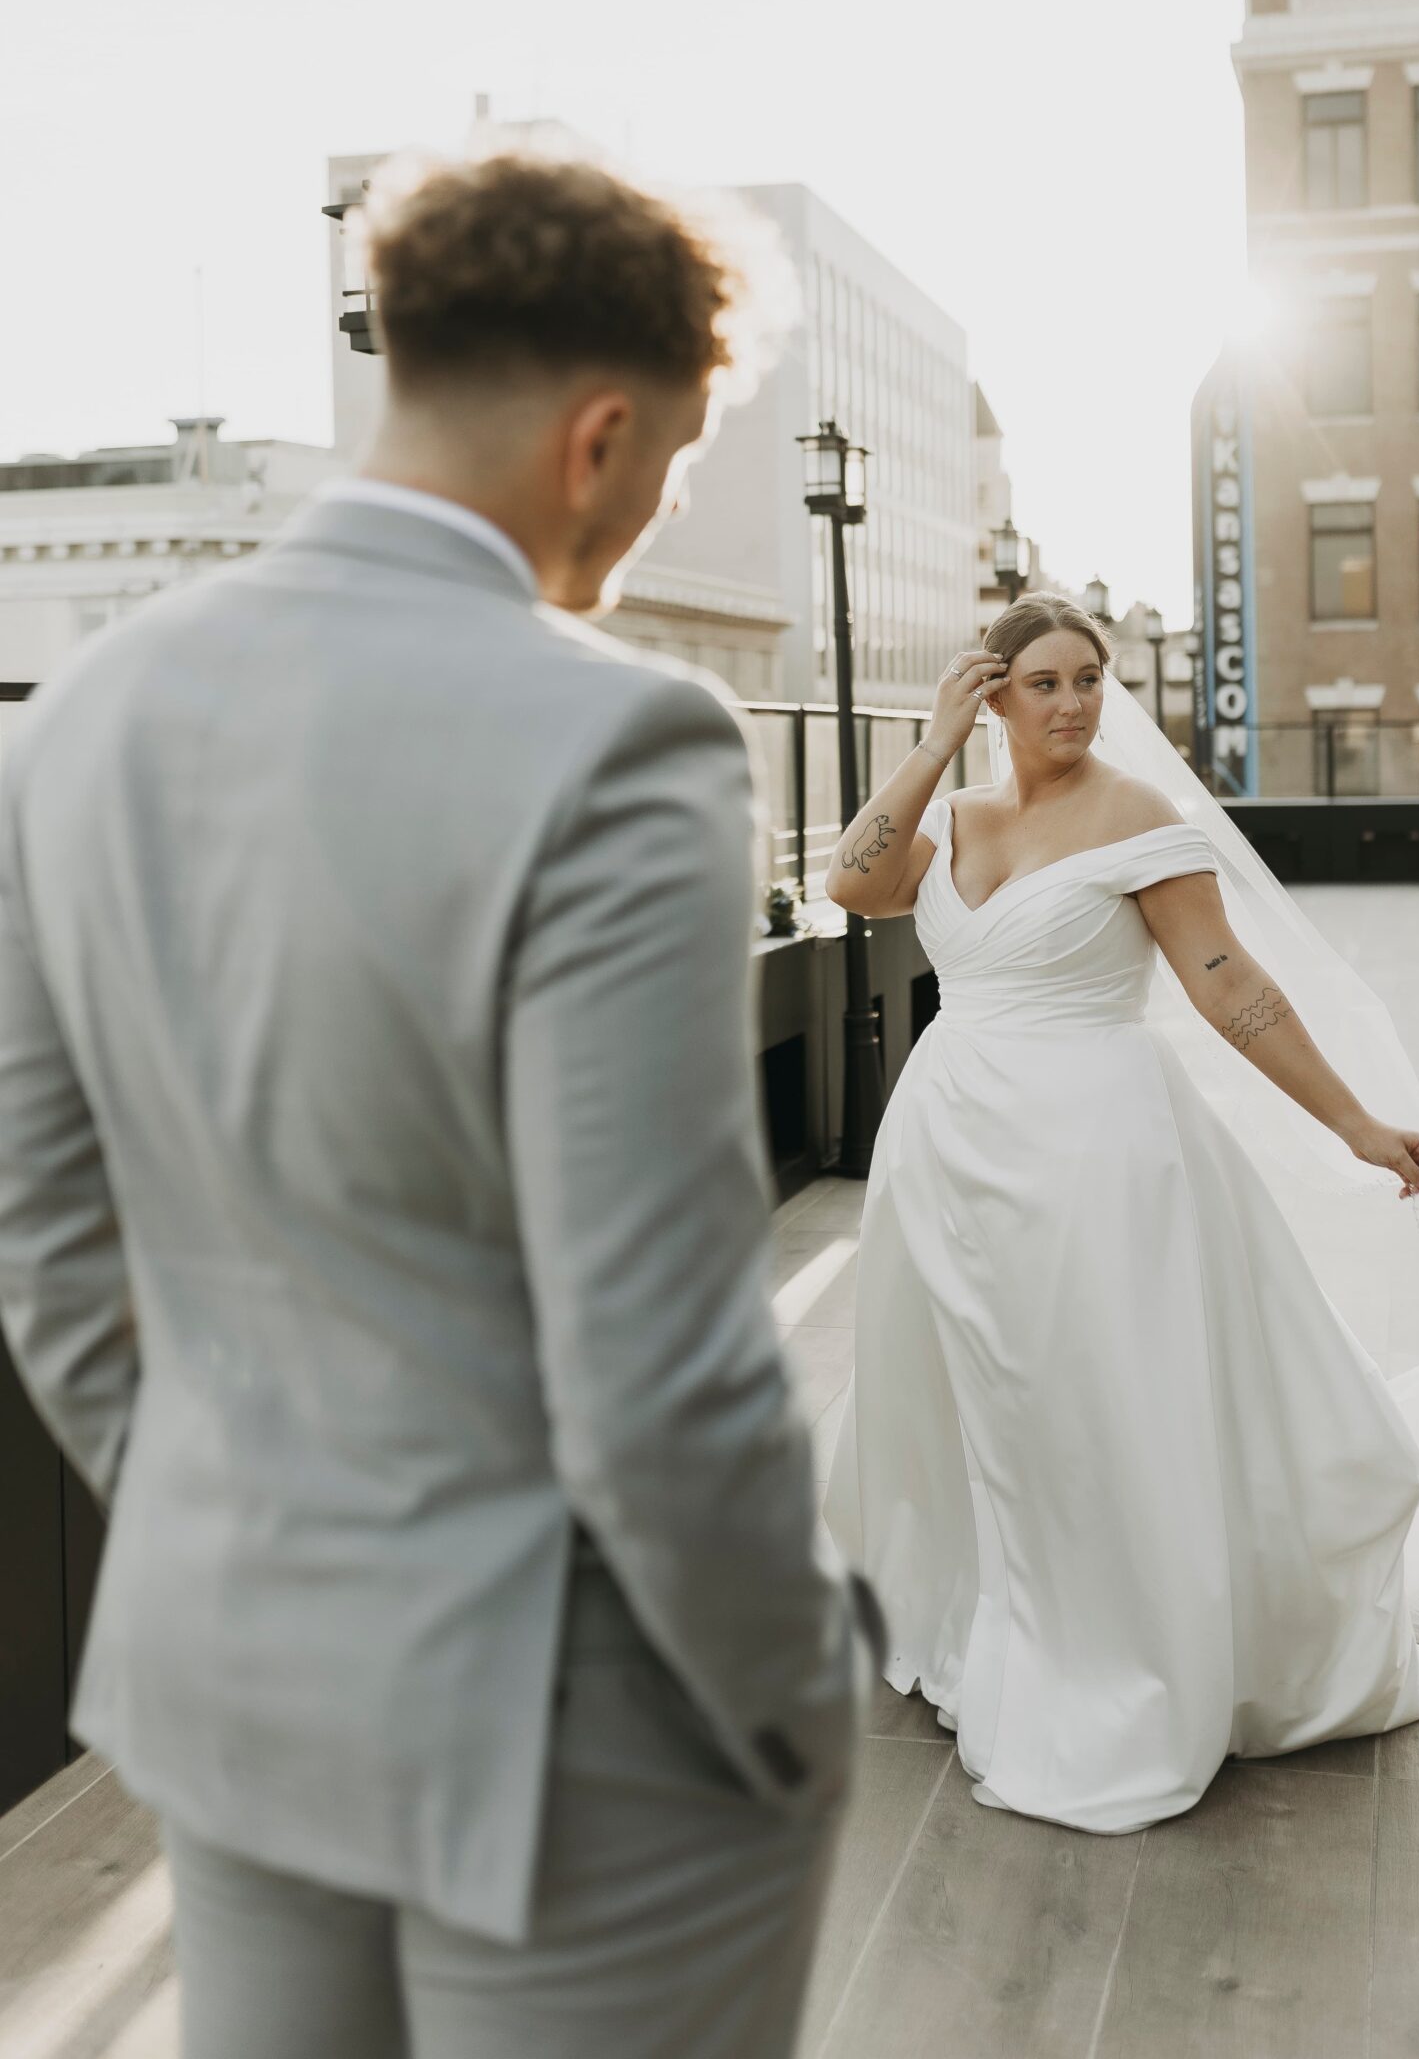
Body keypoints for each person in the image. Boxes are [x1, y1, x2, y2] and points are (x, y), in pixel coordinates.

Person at [0, 150, 878, 2058]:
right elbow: (653, 1362)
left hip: (232, 1673)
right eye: (669, 464)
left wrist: (242, 1531)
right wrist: (800, 1687)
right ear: (599, 435)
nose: (648, 516)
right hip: (576, 1723)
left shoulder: (76, 725)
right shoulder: (620, 740)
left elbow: (48, 1250)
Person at [822, 591, 1419, 1835]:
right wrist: (925, 747)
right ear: (992, 694)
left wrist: (1354, 1122)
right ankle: (983, 1605)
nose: (1074, 703)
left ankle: (1116, 1653)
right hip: (949, 1146)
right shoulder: (954, 813)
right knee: (965, 1389)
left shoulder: (1142, 820)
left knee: (1089, 1401)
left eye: (1090, 678)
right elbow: (852, 885)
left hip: (1093, 1156)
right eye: (1044, 684)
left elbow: (1230, 984)